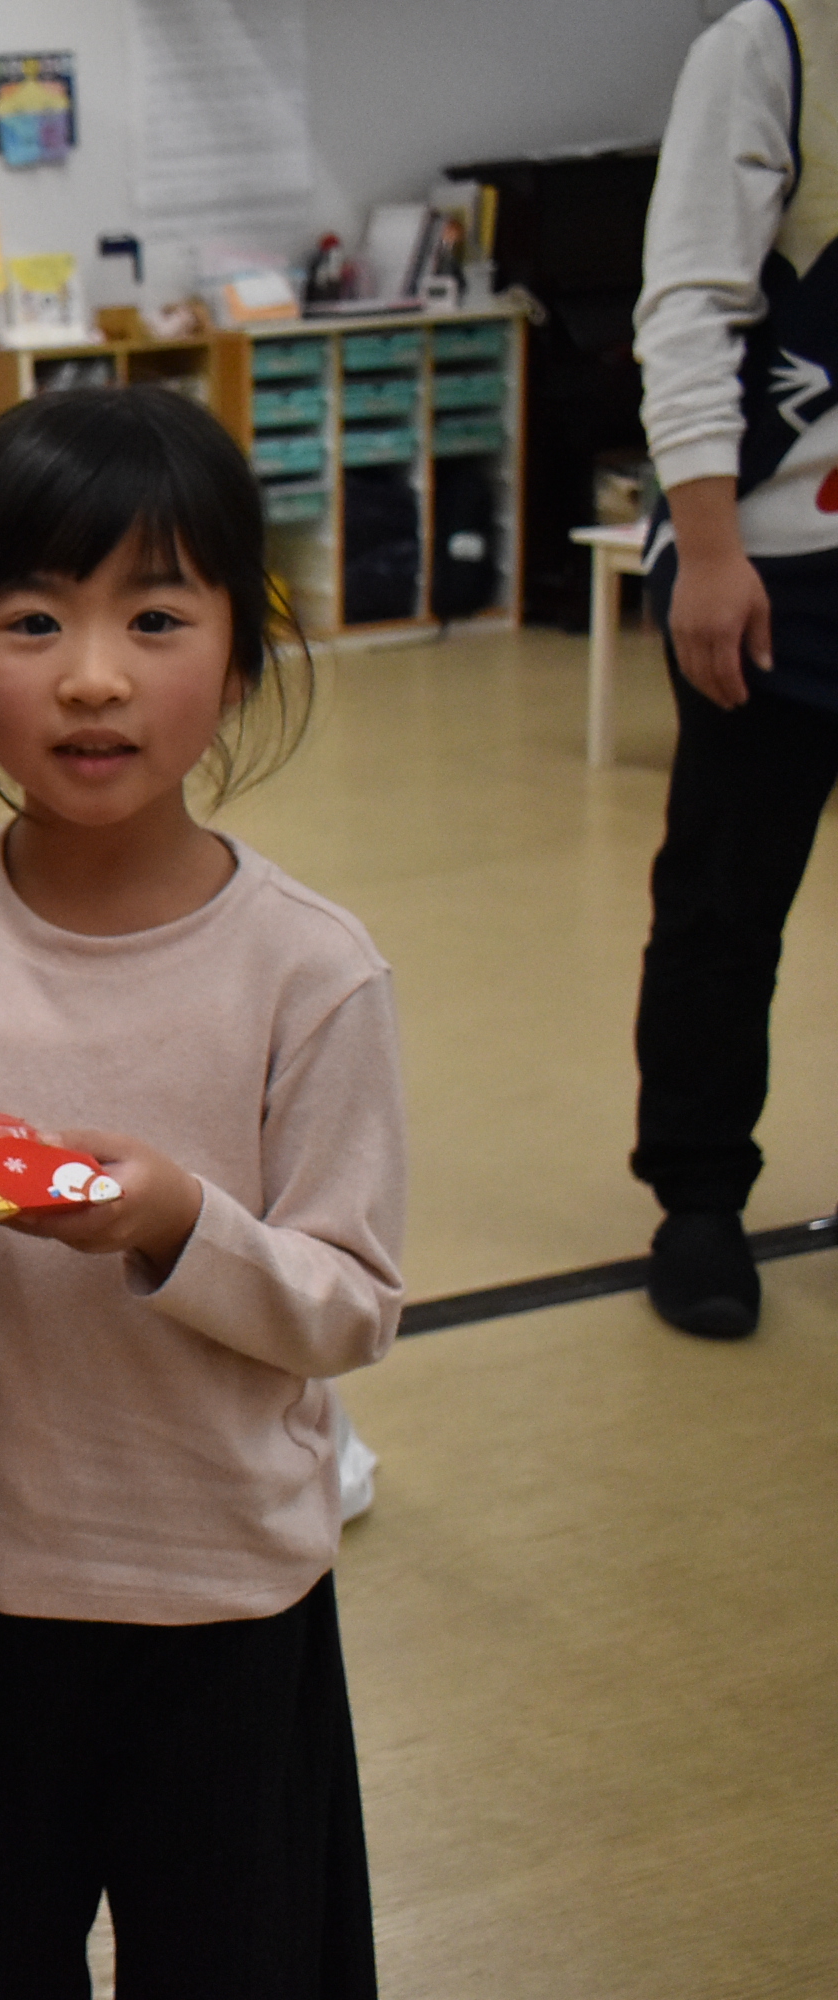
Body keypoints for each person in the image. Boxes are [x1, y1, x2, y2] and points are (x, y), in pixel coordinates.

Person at [0, 388, 403, 1997]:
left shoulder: (308, 970)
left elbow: (350, 1303)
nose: (94, 676)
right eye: (34, 619)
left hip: (221, 1596)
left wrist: (179, 1221)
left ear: (243, 657)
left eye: (157, 617)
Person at [628, 0, 838, 1339]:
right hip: (776, 560)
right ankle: (700, 1197)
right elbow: (690, 306)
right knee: (726, 897)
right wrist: (707, 548)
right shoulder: (770, 43)